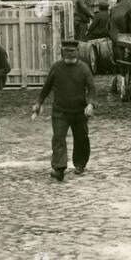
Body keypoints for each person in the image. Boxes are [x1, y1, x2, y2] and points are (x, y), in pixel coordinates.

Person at [31, 38, 96, 181]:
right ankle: (59, 168)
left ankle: (80, 164)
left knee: (81, 139)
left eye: (72, 51)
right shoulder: (56, 68)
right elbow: (47, 87)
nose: (69, 54)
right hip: (60, 111)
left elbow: (91, 89)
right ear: (62, 52)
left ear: (77, 52)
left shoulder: (84, 69)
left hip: (79, 112)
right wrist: (39, 102)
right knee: (58, 139)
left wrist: (90, 104)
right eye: (66, 51)